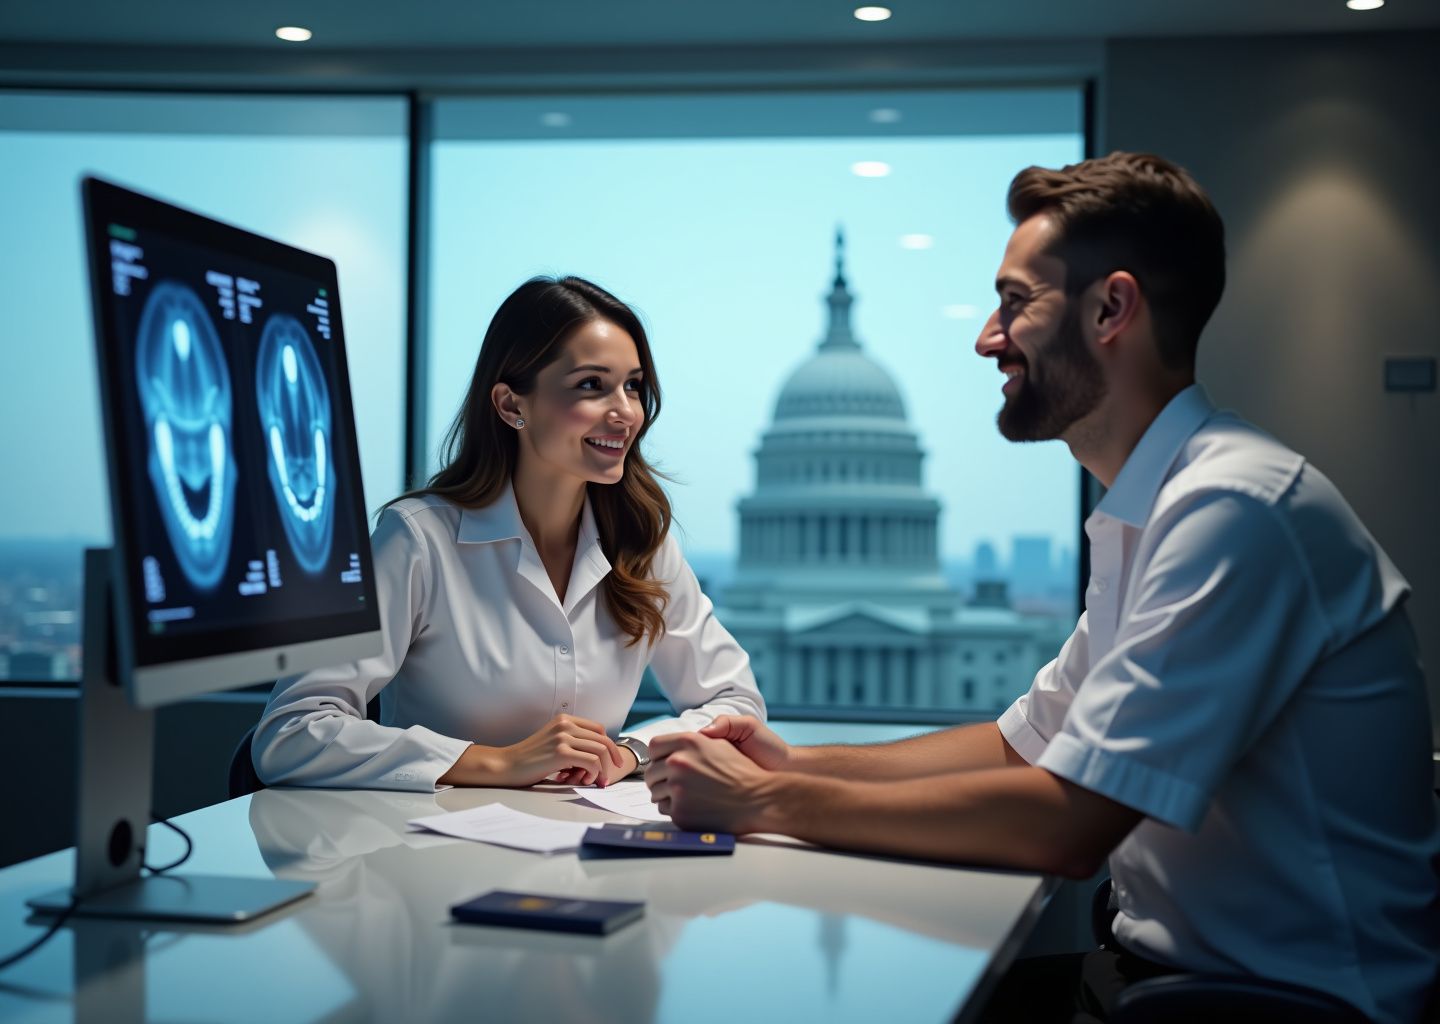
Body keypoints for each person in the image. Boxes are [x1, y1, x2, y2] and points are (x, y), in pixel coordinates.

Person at [642, 152, 1440, 1024]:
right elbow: (1024, 744)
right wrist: (793, 759)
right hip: (1173, 976)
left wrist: (765, 800)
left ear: (1112, 309)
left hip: (1280, 1006)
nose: (988, 336)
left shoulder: (1234, 510)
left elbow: (1067, 824)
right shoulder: (1155, 510)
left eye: (1017, 302)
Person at [254, 276, 765, 791]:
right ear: (511, 405)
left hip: (584, 851)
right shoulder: (419, 540)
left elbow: (737, 705)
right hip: (429, 856)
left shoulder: (641, 545)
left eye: (632, 385)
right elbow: (291, 733)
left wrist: (632, 752)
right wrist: (496, 763)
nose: (626, 412)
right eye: (591, 385)